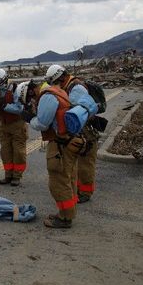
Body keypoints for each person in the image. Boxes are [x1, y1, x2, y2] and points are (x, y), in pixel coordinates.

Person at [27, 65, 87, 229]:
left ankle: (65, 218)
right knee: (69, 177)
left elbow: (42, 123)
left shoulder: (49, 96)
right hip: (70, 141)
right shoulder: (62, 92)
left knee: (58, 181)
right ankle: (67, 212)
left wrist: (29, 119)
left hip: (60, 145)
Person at [54, 65, 100, 204]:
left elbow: (72, 108)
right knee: (79, 162)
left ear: (61, 77)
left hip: (86, 130)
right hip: (81, 129)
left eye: (56, 81)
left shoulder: (76, 88)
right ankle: (79, 189)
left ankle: (85, 192)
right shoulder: (69, 86)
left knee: (86, 163)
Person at [0, 69, 27, 186]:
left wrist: (4, 106)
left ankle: (17, 176)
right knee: (5, 151)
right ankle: (8, 175)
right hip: (4, 125)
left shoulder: (16, 89)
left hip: (17, 124)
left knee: (18, 152)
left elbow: (19, 108)